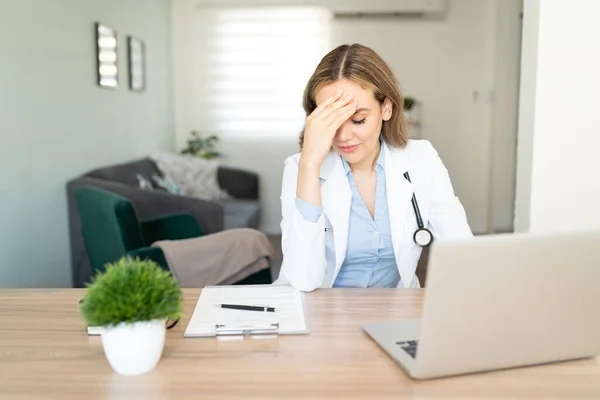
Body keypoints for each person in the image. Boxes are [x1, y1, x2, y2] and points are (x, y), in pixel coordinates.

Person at [275, 44, 473, 292]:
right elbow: (303, 280)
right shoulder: (299, 168)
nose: (344, 136)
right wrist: (310, 164)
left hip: (395, 312)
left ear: (386, 108)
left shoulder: (422, 159)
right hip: (320, 311)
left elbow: (464, 254)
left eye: (358, 120)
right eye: (331, 121)